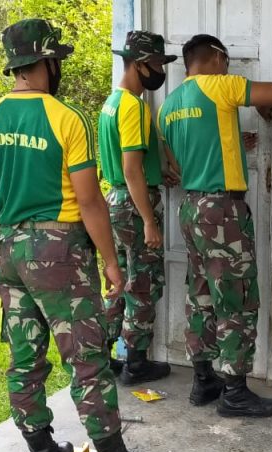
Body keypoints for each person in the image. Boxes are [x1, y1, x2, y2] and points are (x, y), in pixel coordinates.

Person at [0, 18, 142, 452]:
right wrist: (110, 261)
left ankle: (42, 449)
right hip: (59, 251)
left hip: (8, 250)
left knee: (25, 357)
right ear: (46, 62)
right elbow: (89, 201)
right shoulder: (66, 118)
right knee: (86, 357)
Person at [157, 33, 272, 417]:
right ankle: (235, 391)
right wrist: (260, 104)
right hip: (222, 211)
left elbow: (179, 163)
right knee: (236, 297)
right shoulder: (219, 86)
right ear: (216, 58)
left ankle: (203, 380)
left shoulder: (168, 107)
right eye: (227, 61)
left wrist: (229, 144)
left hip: (191, 207)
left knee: (200, 292)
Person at [98, 30, 179, 386]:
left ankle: (104, 357)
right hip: (133, 206)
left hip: (116, 202)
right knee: (142, 283)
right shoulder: (133, 107)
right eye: (158, 63)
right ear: (141, 65)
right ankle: (136, 363)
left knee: (120, 281)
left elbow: (128, 165)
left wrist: (158, 172)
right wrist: (148, 220)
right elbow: (131, 169)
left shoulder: (111, 103)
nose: (161, 71)